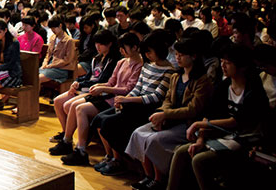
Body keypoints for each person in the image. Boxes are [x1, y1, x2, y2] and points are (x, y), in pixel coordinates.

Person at [166, 44, 269, 190]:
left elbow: (236, 122)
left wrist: (200, 125)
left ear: (241, 66)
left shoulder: (254, 91)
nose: (223, 66)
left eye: (227, 63)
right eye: (222, 61)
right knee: (182, 152)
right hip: (221, 134)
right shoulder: (223, 86)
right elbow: (209, 115)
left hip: (245, 138)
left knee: (199, 160)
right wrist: (200, 139)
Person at [125, 37, 213, 189]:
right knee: (138, 133)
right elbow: (167, 99)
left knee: (155, 140)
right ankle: (149, 176)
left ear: (193, 56)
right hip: (170, 118)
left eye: (182, 54)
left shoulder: (202, 81)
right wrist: (161, 113)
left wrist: (166, 115)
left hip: (187, 123)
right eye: (176, 54)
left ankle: (159, 180)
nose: (177, 57)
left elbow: (193, 109)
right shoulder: (176, 76)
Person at [94, 30, 176, 176]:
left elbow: (157, 96)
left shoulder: (170, 71)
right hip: (134, 104)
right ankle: (114, 158)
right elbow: (138, 87)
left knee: (109, 124)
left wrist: (128, 99)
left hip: (148, 108)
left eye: (149, 52)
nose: (148, 55)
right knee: (99, 120)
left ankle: (121, 160)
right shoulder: (148, 65)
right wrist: (124, 100)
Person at [49, 29, 120, 160]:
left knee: (71, 106)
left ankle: (75, 145)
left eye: (101, 44)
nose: (97, 47)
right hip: (89, 88)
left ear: (109, 44)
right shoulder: (97, 58)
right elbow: (89, 76)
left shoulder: (114, 60)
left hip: (98, 91)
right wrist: (76, 82)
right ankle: (67, 137)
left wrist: (80, 85)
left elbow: (102, 81)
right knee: (58, 101)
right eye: (96, 44)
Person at [39, 15, 76, 90]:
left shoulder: (69, 40)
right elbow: (48, 54)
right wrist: (45, 63)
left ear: (60, 26)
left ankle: (34, 98)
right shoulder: (53, 38)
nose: (52, 30)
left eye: (54, 28)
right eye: (51, 28)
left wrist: (52, 65)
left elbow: (67, 59)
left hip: (61, 69)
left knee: (38, 78)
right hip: (50, 66)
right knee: (32, 76)